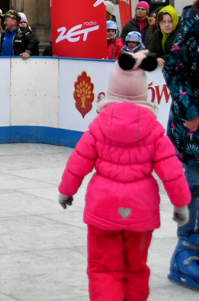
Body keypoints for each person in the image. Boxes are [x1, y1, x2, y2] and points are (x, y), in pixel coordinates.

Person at [58, 51, 191, 300]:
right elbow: (170, 169)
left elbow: (79, 162)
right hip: (141, 210)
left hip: (103, 208)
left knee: (103, 268)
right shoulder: (153, 128)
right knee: (136, 269)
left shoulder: (97, 125)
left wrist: (66, 191)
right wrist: (181, 203)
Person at [163, 0, 199, 291]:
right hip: (193, 127)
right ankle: (185, 255)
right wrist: (191, 112)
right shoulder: (192, 24)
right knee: (195, 186)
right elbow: (173, 71)